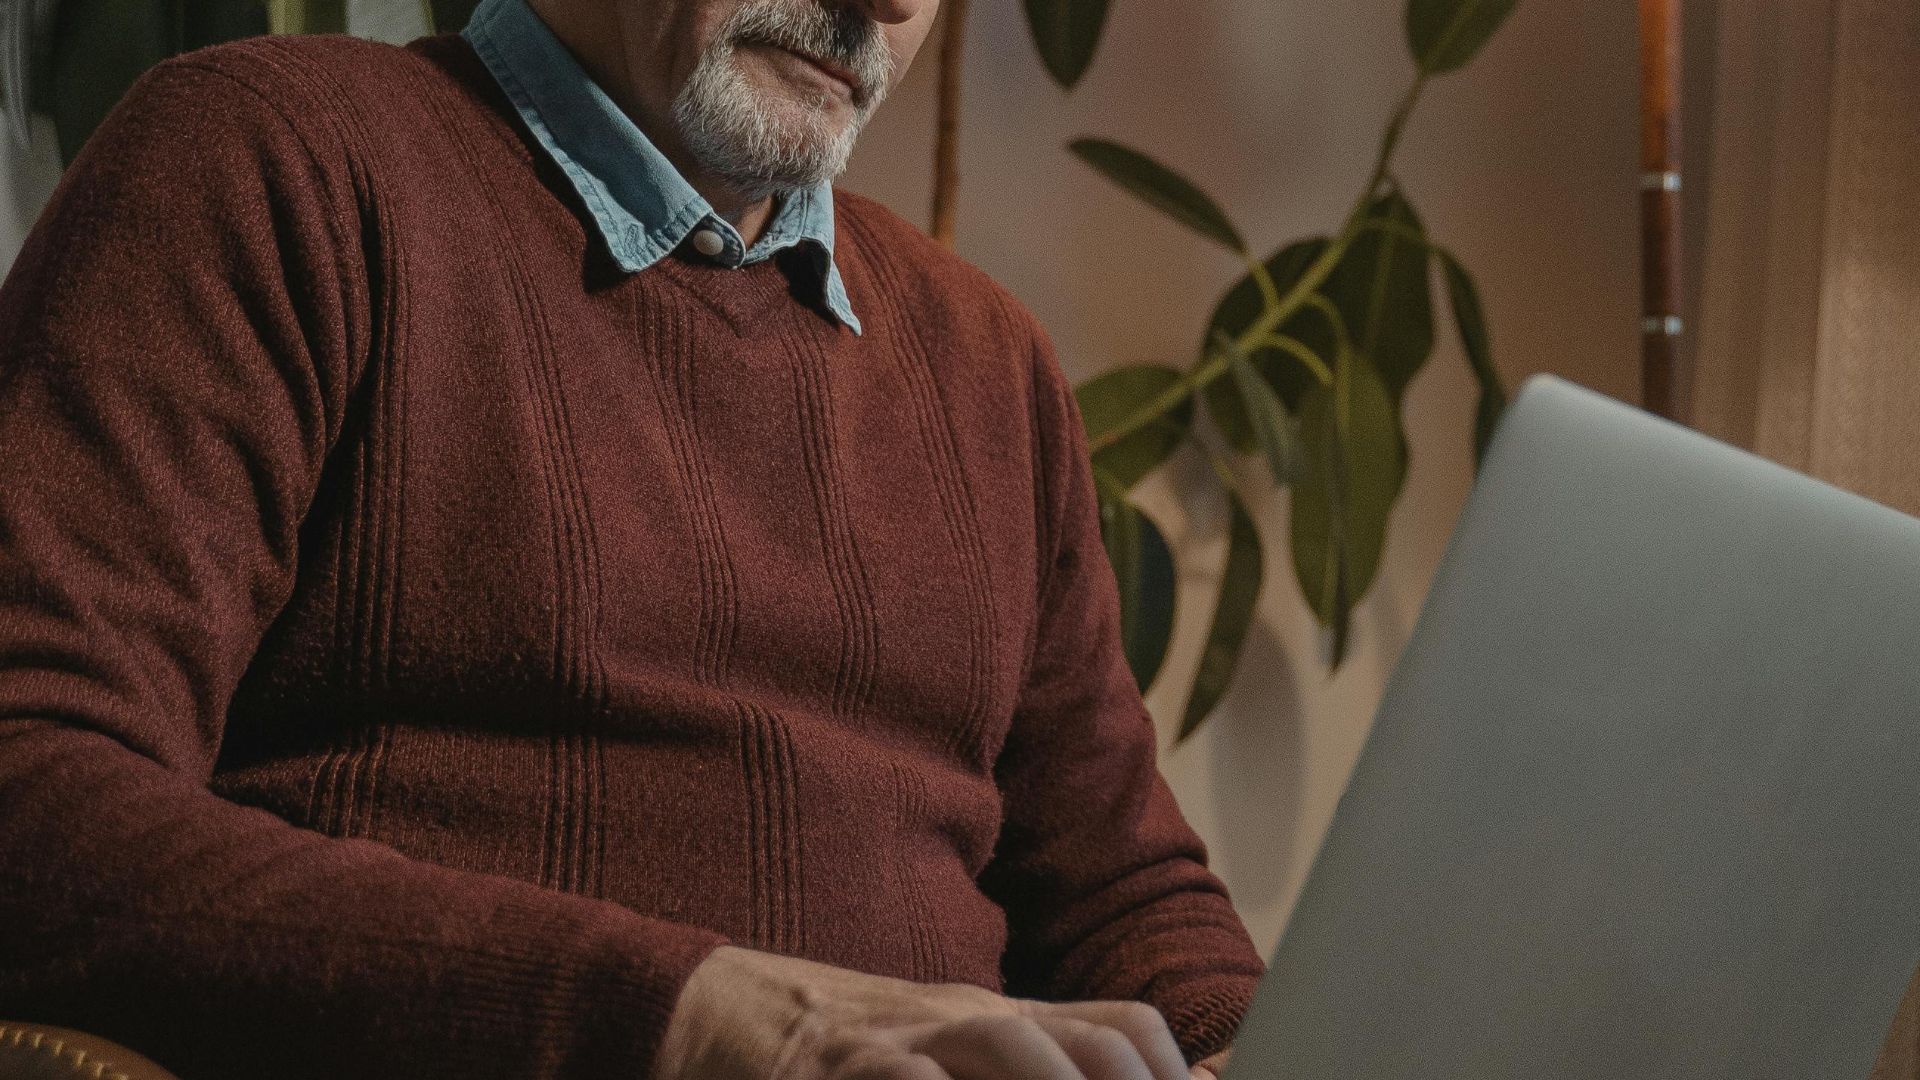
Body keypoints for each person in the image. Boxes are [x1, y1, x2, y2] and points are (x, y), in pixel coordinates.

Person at [0, 0, 1265, 1076]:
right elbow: (31, 790)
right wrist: (697, 1020)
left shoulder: (986, 359)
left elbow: (1129, 901)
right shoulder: (270, 159)